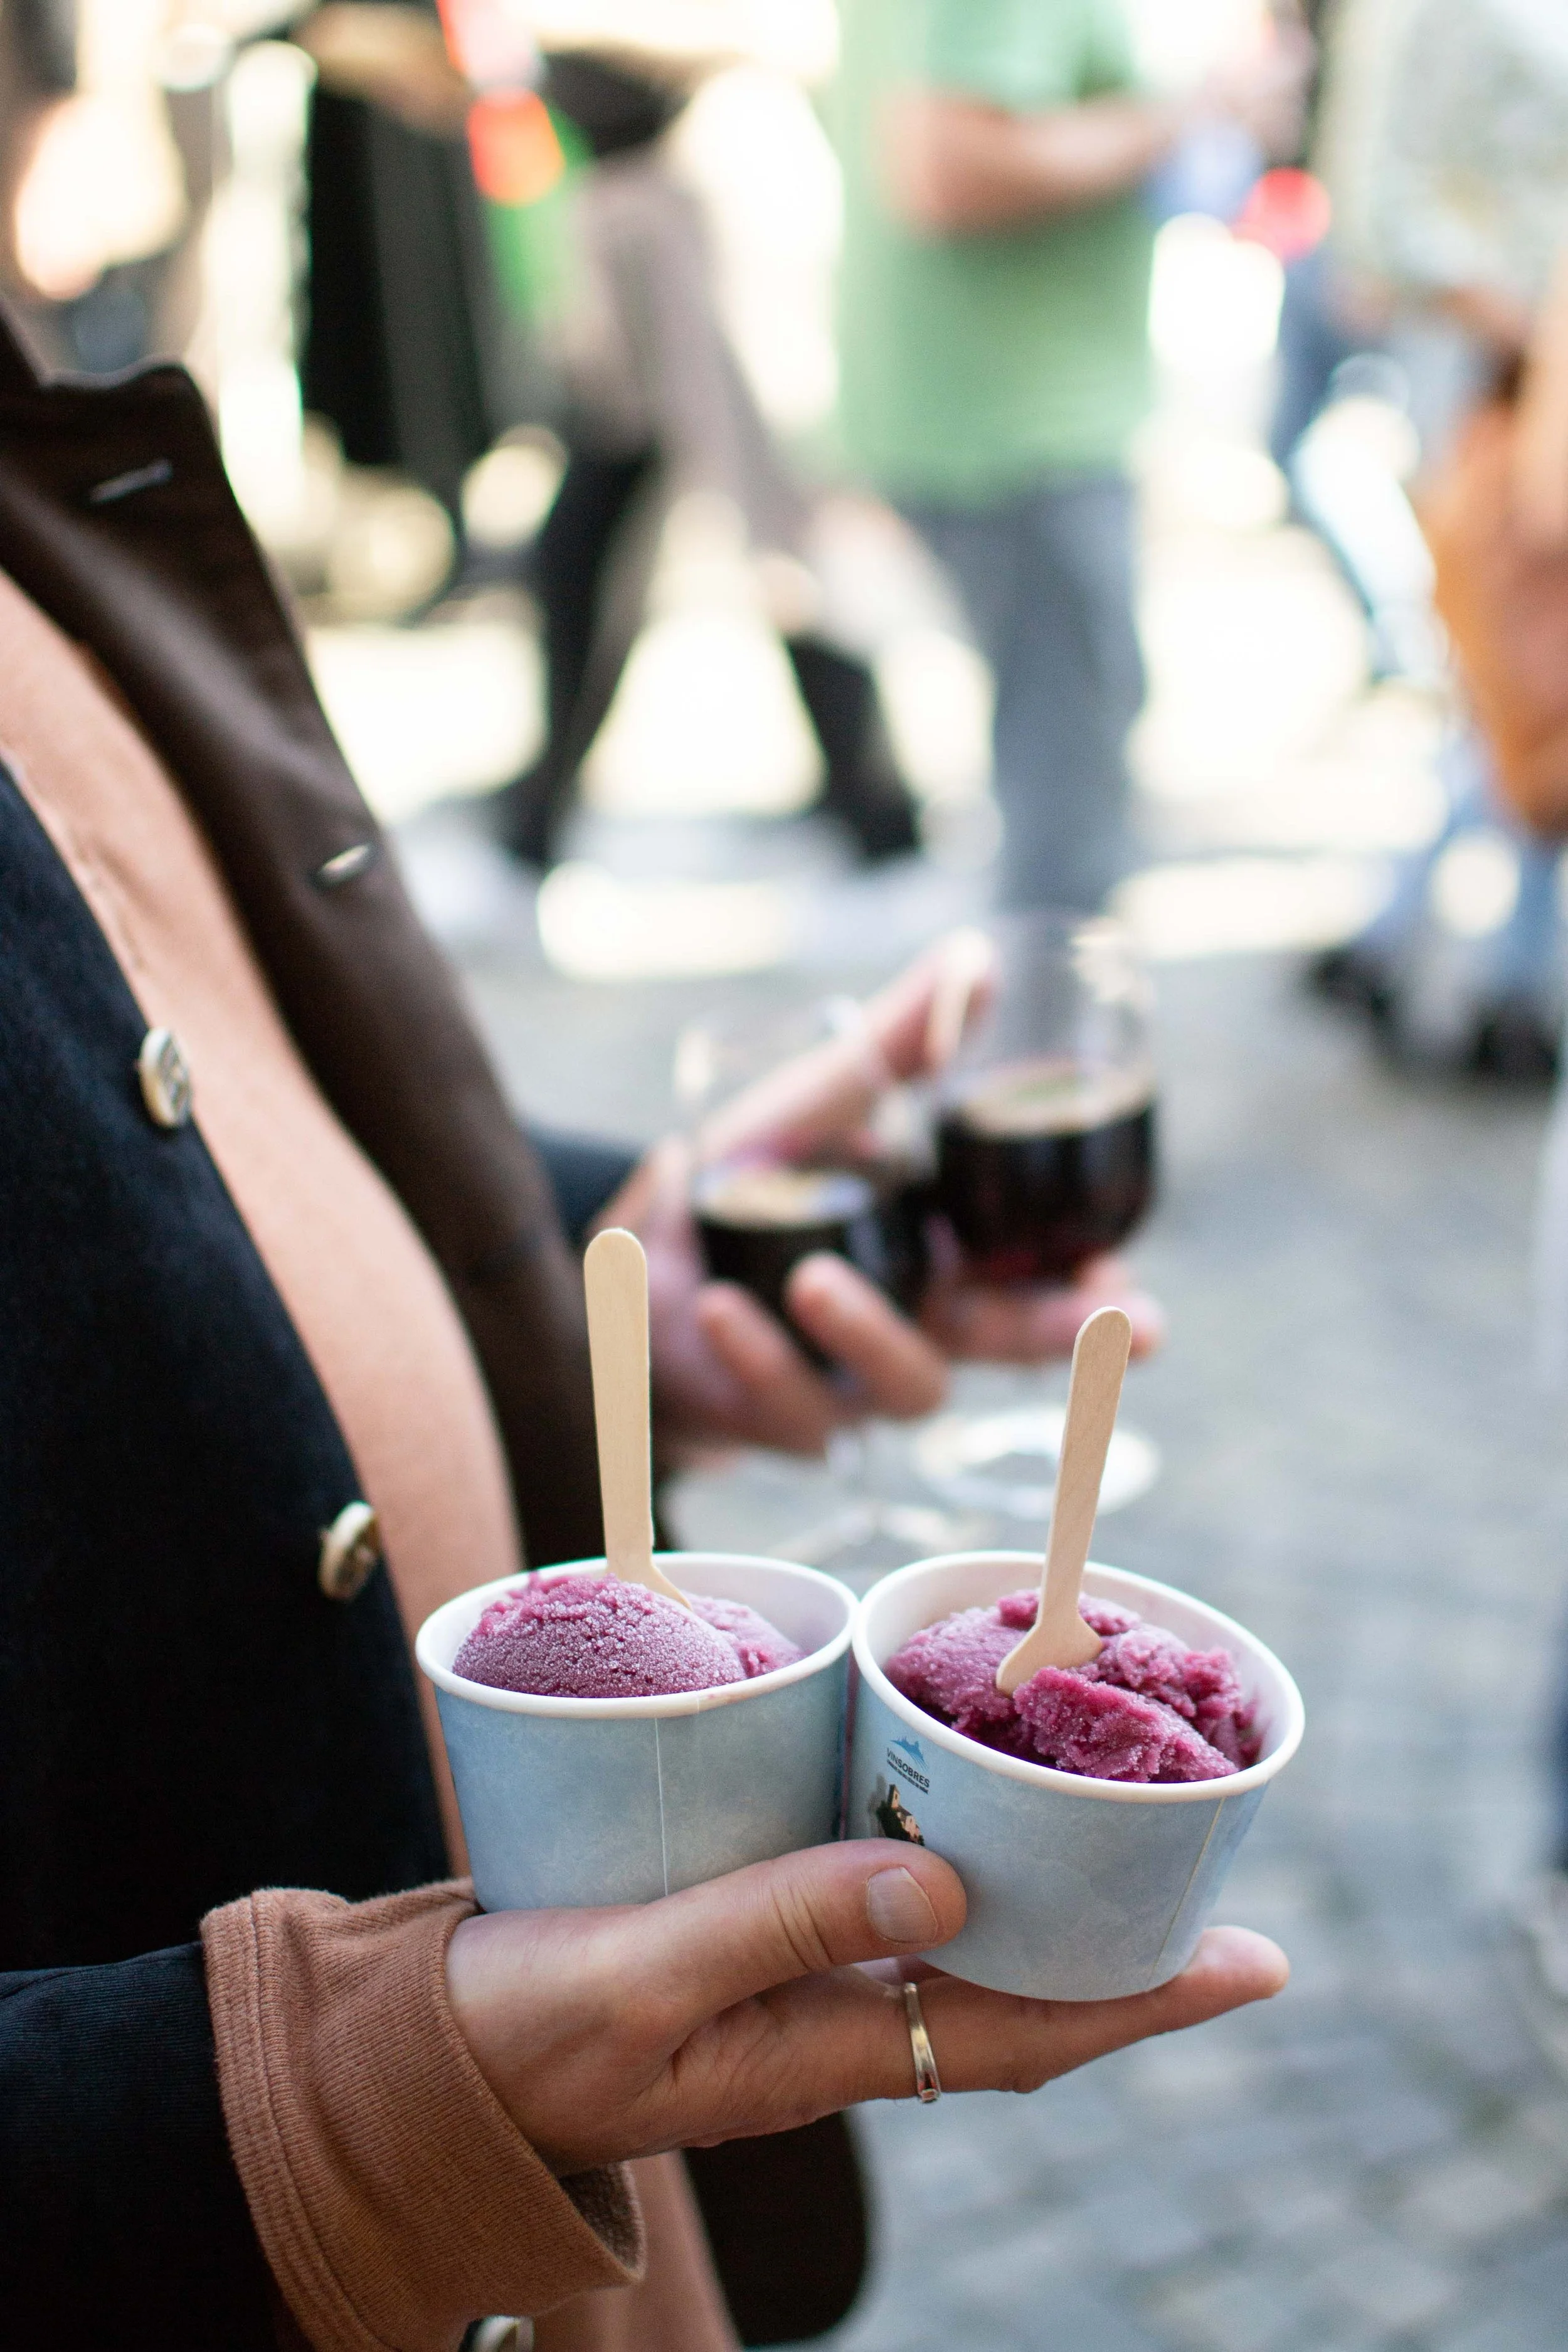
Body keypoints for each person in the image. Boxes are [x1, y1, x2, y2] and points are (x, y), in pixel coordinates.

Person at [0, 302, 1286, 2349]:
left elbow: (200, 1109)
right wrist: (341, 2102)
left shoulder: (43, 432)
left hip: (565, 2208)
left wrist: (595, 1269)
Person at [832, 0, 1305, 913]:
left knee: (1061, 783)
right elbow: (946, 167)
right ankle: (1050, 1003)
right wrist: (1191, 113)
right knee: (1066, 838)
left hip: (994, 409)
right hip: (1017, 424)